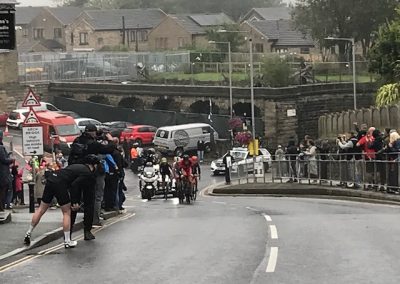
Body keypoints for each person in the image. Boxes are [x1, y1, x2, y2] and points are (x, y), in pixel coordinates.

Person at [24, 155, 99, 248]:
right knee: (67, 212)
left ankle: (28, 232)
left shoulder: (76, 166)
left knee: (41, 209)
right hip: (60, 184)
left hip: (52, 179)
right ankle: (67, 241)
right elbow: (74, 185)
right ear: (94, 166)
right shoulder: (87, 172)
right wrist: (75, 201)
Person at [68, 124, 116, 241]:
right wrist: (110, 140)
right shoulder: (93, 144)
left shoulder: (77, 141)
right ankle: (87, 231)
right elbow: (108, 149)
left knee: (74, 205)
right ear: (93, 133)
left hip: (74, 175)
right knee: (89, 203)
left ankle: (68, 234)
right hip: (88, 175)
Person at [0, 130, 14, 212]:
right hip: (2, 174)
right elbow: (4, 160)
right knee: (3, 191)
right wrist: (11, 159)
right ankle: (1, 207)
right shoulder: (1, 147)